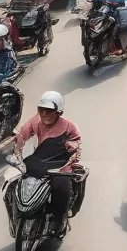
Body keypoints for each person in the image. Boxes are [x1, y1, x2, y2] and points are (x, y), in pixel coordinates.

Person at [14, 91, 82, 223]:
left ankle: (59, 220)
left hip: (60, 167)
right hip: (39, 162)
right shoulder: (36, 121)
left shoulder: (70, 127)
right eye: (41, 110)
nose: (44, 114)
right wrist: (17, 151)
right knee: (15, 183)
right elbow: (22, 134)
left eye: (49, 111)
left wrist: (71, 148)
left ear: (58, 112)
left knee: (61, 191)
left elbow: (76, 147)